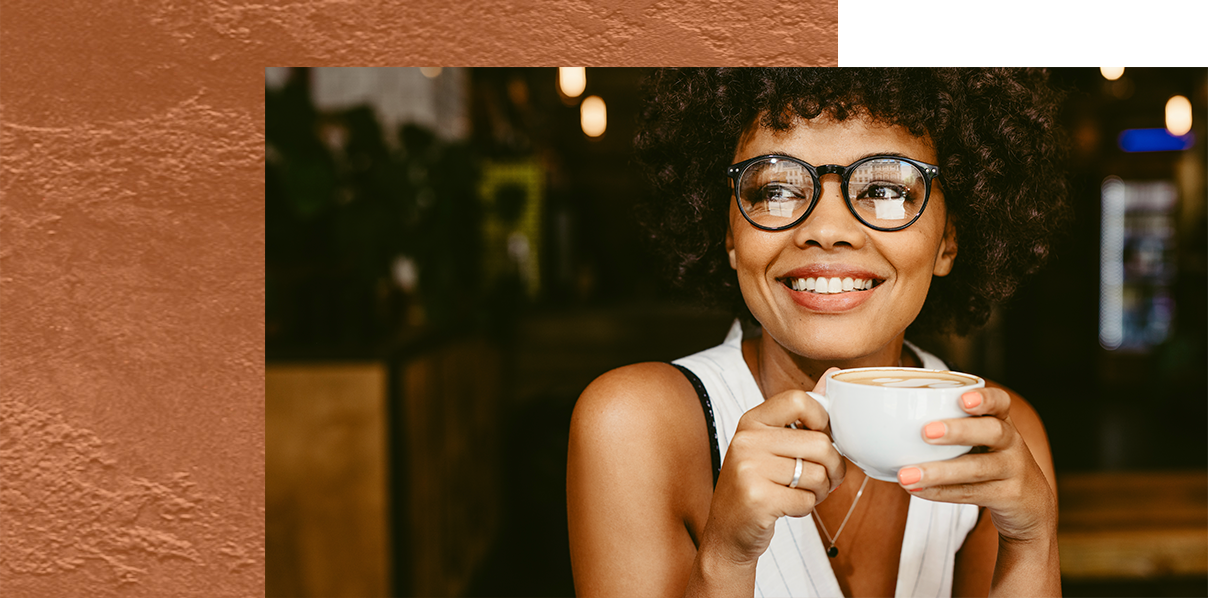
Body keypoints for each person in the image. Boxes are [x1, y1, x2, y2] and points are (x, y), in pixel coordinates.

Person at [567, 68, 1070, 598]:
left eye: (884, 188)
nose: (826, 231)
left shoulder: (994, 434)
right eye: (776, 188)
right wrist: (727, 559)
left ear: (948, 240)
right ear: (730, 236)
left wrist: (1033, 542)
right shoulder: (636, 426)